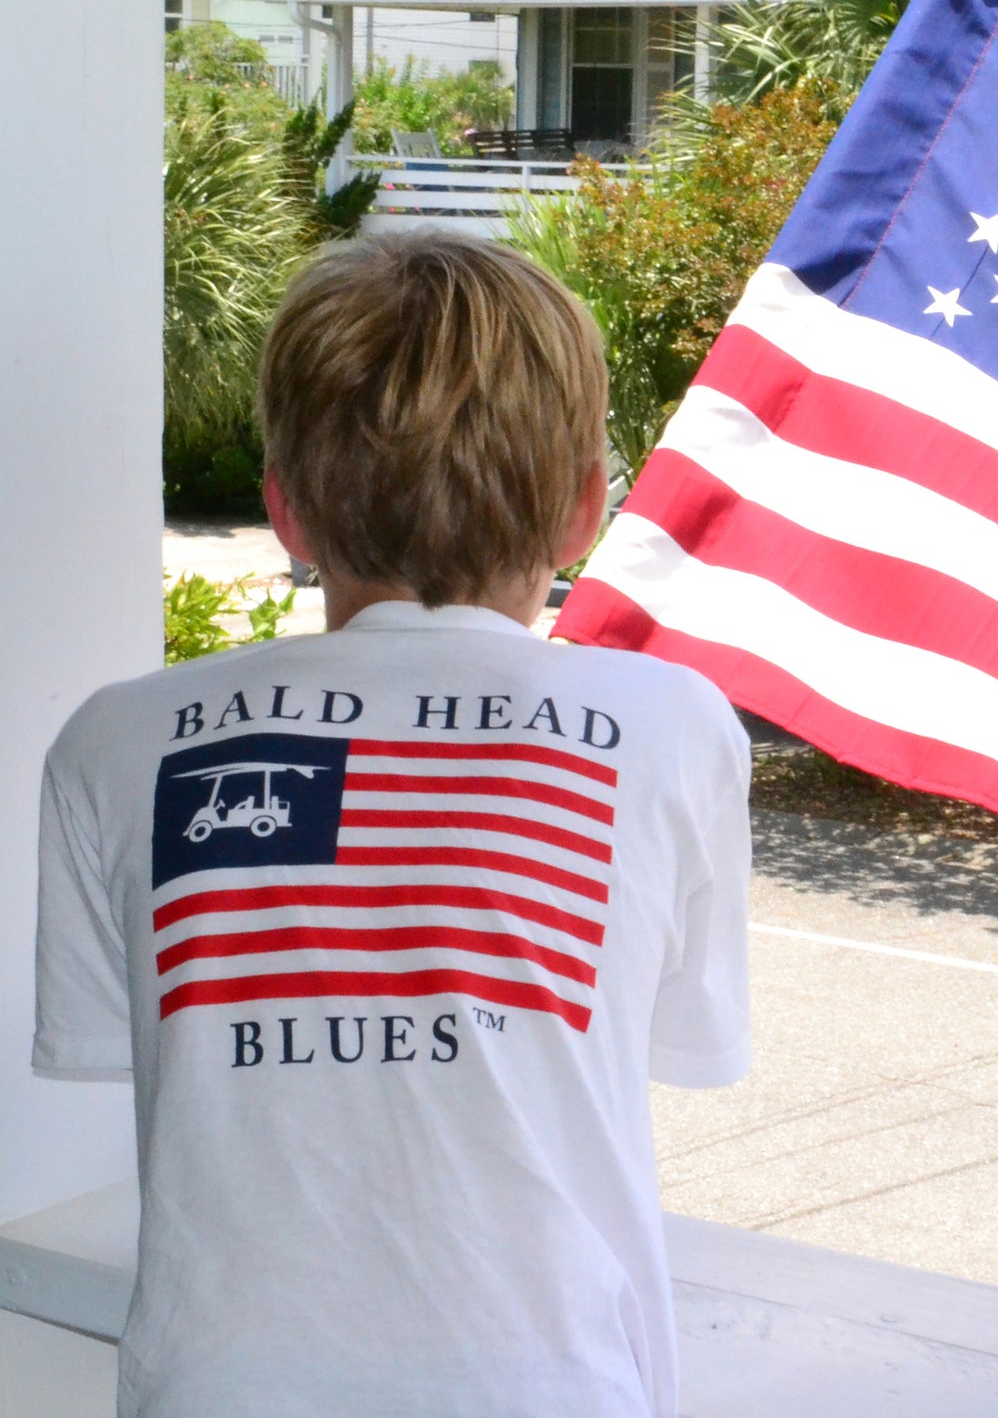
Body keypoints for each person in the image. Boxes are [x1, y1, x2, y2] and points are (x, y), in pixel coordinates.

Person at [33, 232, 752, 1418]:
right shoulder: (669, 725)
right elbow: (683, 1040)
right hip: (553, 1384)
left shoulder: (114, 742)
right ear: (583, 507)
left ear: (284, 510)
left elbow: (121, 1049)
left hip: (217, 1387)